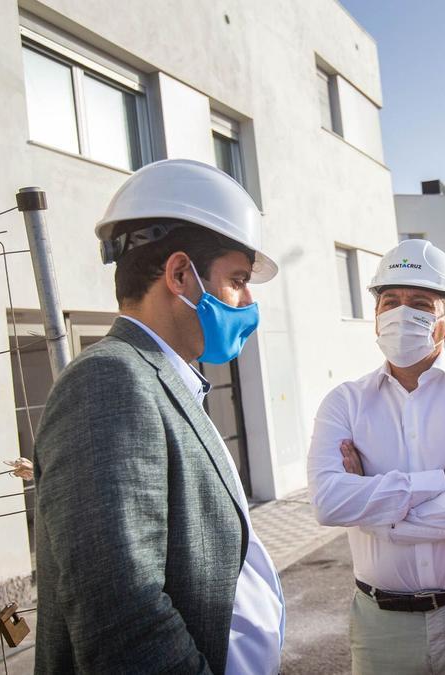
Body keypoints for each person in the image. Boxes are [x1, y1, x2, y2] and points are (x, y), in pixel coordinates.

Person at [33, 159, 284, 674]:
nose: (248, 300)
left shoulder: (161, 378)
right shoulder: (109, 381)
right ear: (178, 274)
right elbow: (123, 614)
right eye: (237, 280)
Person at [308, 239, 445, 674]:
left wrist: (372, 512)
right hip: (381, 627)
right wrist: (438, 482)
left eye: (421, 304)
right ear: (375, 318)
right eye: (390, 302)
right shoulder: (343, 402)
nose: (401, 314)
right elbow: (328, 502)